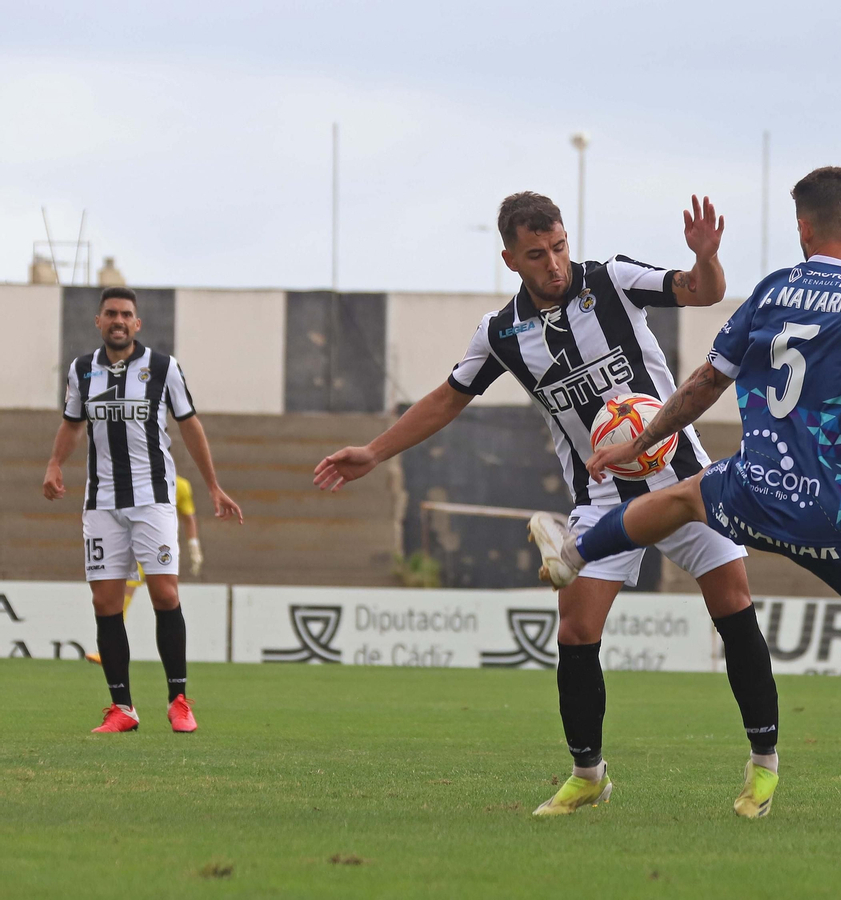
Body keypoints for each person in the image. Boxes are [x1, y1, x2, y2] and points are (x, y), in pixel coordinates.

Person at [313, 192, 782, 818]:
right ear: (511, 259)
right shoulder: (500, 332)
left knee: (733, 606)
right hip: (602, 495)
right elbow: (448, 398)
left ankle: (763, 767)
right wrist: (374, 451)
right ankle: (588, 775)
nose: (554, 264)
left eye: (559, 247)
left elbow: (700, 291)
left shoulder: (611, 280)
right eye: (537, 255)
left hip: (683, 480)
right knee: (576, 629)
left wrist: (706, 256)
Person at [557, 166, 841, 833]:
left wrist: (635, 442)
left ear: (803, 229)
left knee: (687, 494)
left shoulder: (775, 288)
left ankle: (574, 549)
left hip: (757, 491)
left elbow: (702, 385)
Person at [42, 287, 244, 734]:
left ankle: (178, 701)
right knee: (105, 601)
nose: (118, 320)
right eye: (110, 313)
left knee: (165, 595)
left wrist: (213, 486)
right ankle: (123, 709)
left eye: (126, 314)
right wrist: (55, 463)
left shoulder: (163, 368)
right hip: (100, 504)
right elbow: (72, 425)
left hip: (153, 500)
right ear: (99, 321)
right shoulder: (81, 370)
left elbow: (190, 425)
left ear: (137, 324)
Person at [85, 475, 204, 666]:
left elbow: (189, 518)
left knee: (165, 599)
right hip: (140, 544)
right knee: (127, 591)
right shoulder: (137, 480)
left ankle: (172, 660)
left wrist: (194, 547)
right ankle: (109, 651)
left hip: (162, 549)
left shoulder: (180, 485)